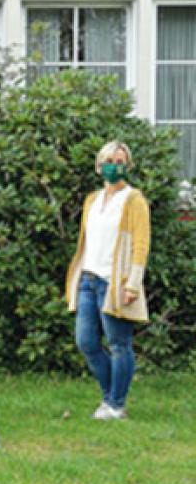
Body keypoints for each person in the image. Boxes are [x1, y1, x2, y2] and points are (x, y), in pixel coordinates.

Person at [65, 141, 150, 420]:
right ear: (99, 165)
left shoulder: (134, 200)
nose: (115, 164)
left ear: (127, 165)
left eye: (120, 160)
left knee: (118, 344)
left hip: (115, 282)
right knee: (86, 342)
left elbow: (140, 244)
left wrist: (132, 284)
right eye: (110, 159)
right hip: (89, 279)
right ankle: (109, 396)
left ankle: (116, 403)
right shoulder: (92, 199)